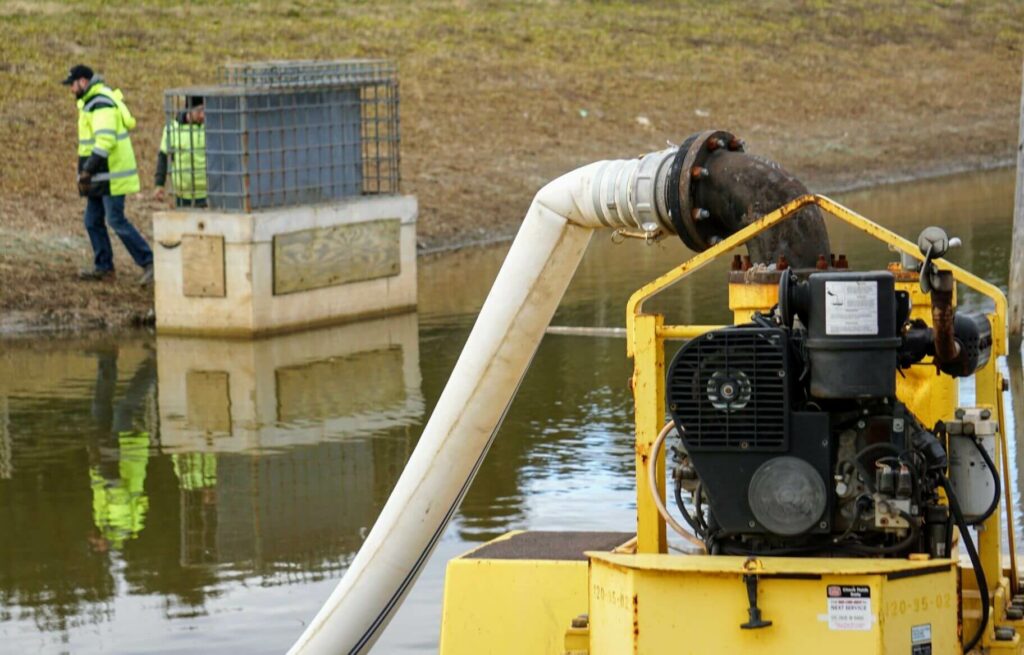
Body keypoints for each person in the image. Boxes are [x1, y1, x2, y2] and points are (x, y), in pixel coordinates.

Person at [63, 64, 153, 285]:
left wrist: (87, 170)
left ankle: (149, 262)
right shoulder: (91, 103)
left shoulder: (101, 104)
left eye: (72, 85)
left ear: (83, 82)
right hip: (100, 175)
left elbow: (105, 141)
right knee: (92, 220)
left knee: (115, 219)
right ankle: (104, 267)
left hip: (111, 174)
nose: (71, 90)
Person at [155, 96, 207, 208]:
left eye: (205, 110)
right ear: (189, 110)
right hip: (183, 194)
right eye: (199, 111)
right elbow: (163, 157)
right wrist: (159, 184)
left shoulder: (212, 128)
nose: (202, 115)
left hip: (208, 193)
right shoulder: (172, 129)